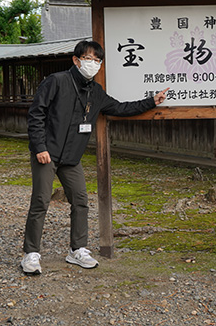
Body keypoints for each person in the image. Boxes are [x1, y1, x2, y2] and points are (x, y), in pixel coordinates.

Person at [21, 40, 168, 275]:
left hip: (72, 157)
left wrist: (151, 101)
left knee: (80, 201)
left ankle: (77, 250)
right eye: (89, 59)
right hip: (47, 154)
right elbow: (36, 113)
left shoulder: (95, 92)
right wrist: (39, 147)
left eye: (97, 60)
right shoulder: (56, 81)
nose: (93, 64)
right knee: (40, 201)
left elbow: (120, 108)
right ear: (76, 60)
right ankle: (31, 253)